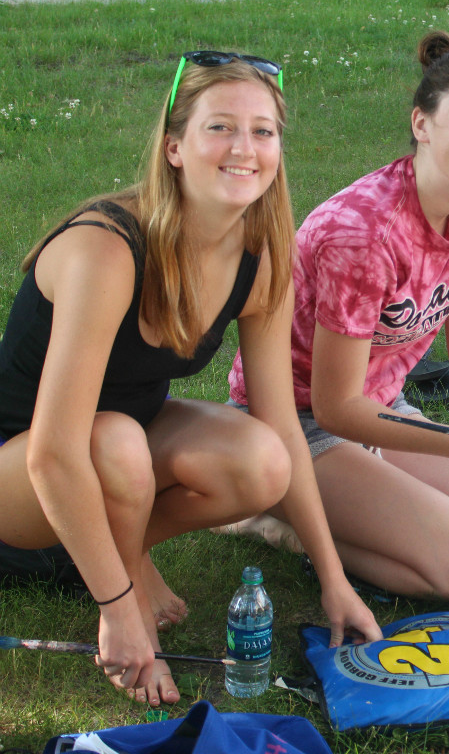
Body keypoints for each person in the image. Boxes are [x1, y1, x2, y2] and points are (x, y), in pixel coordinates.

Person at [0, 52, 382, 706]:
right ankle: (119, 586)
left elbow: (282, 425)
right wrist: (122, 609)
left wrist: (333, 577)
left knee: (261, 461)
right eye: (220, 128)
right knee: (116, 440)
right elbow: (55, 452)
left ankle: (122, 551)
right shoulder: (108, 248)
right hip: (23, 478)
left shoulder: (259, 261)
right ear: (174, 147)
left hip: (118, 455)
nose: (245, 148)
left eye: (263, 131)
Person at [228, 32, 449, 602]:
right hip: (296, 425)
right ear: (422, 123)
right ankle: (274, 513)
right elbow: (335, 406)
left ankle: (360, 510)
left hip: (382, 409)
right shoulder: (364, 233)